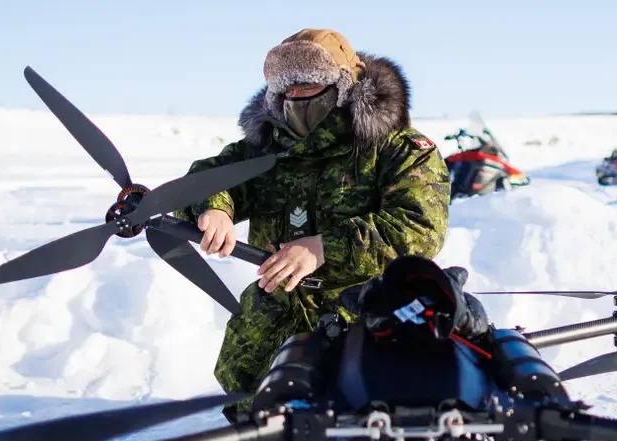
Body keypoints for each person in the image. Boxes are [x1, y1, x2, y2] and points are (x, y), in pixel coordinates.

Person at [174, 28, 451, 421]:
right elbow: (208, 179)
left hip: (367, 322)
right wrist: (214, 207)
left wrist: (323, 248)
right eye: (289, 86)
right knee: (261, 428)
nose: (298, 93)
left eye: (311, 82)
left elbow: (419, 228)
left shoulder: (398, 149)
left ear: (345, 83)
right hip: (273, 328)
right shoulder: (266, 147)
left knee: (361, 429)